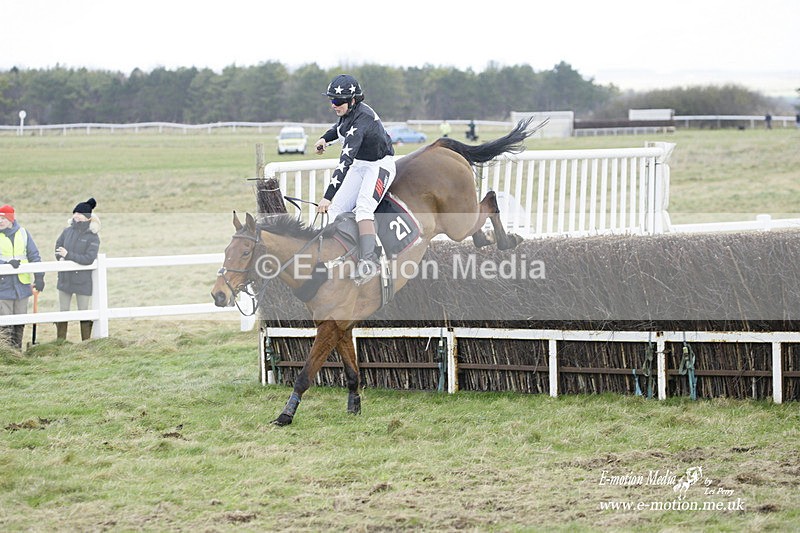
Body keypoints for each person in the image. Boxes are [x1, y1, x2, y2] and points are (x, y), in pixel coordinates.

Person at [314, 74, 396, 284]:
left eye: (338, 101)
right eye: (331, 100)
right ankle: (335, 255)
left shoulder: (364, 119)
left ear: (353, 100)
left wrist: (326, 196)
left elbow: (345, 161)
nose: (334, 105)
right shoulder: (349, 112)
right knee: (336, 209)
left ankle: (369, 261)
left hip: (379, 165)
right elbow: (339, 127)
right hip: (361, 164)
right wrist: (325, 138)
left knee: (363, 208)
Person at [54, 198, 100, 341]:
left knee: (84, 313)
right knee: (63, 312)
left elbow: (89, 258)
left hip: (83, 281)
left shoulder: (93, 237)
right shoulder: (67, 231)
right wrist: (61, 258)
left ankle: (85, 343)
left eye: (79, 213)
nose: (76, 215)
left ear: (87, 217)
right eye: (75, 213)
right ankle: (60, 343)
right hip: (65, 279)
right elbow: (58, 248)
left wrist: (68, 256)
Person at [0, 204, 45, 349]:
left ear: (11, 219)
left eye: (3, 218)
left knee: (20, 321)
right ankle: (6, 352)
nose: (0, 221)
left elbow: (34, 256)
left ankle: (17, 351)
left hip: (22, 285)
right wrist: (6, 264)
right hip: (3, 286)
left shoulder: (23, 233)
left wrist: (39, 277)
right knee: (5, 322)